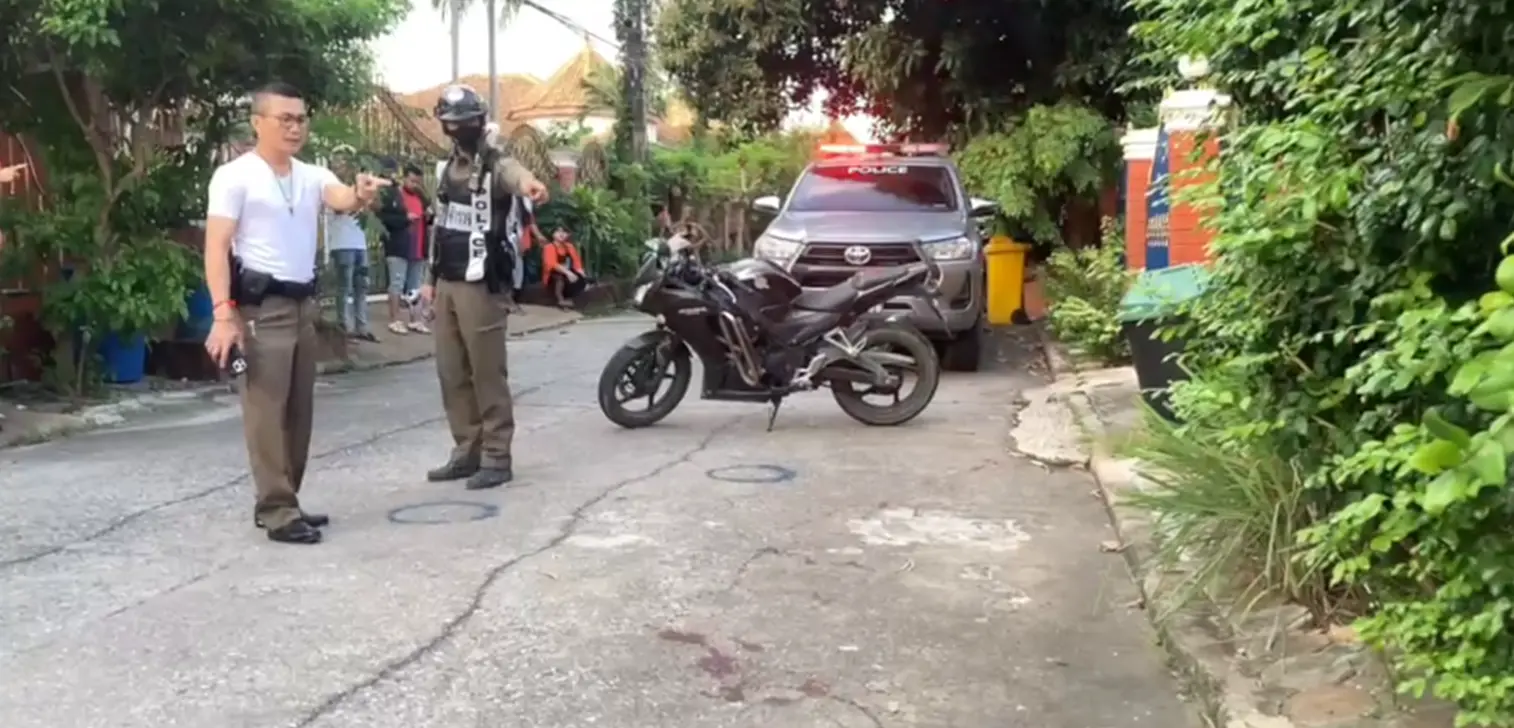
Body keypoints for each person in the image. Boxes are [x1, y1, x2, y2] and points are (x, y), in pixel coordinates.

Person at [203, 81, 389, 545]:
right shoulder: (234, 176)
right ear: (257, 122)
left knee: (298, 411)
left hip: (304, 304)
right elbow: (216, 246)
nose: (295, 128)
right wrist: (223, 314)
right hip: (262, 308)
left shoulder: (310, 175)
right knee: (266, 410)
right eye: (284, 119)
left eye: (301, 119)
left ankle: (285, 497)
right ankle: (277, 508)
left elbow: (341, 198)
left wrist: (361, 193)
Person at [419, 84, 548, 490]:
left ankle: (496, 455)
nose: (459, 129)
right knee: (451, 372)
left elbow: (516, 176)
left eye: (467, 121)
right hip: (447, 281)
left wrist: (530, 185)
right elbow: (439, 227)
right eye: (452, 122)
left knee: (487, 372)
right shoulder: (444, 171)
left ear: (480, 121)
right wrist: (429, 282)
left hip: (482, 284)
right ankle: (466, 450)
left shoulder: (497, 165)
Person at [377, 162, 433, 334]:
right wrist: (405, 218)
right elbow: (384, 218)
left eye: (418, 182)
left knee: (415, 286)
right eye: (412, 181)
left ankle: (415, 320)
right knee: (397, 283)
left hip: (418, 246)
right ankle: (395, 319)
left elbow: (429, 218)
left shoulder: (422, 197)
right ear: (404, 178)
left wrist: (429, 217)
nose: (415, 185)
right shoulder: (394, 195)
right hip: (399, 246)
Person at [326, 154, 377, 342]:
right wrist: (357, 193)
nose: (345, 168)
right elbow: (340, 207)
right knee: (344, 287)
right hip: (342, 244)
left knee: (361, 286)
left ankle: (361, 326)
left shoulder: (358, 190)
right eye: (340, 165)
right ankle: (344, 326)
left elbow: (373, 208)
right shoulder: (333, 189)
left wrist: (369, 192)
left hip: (359, 243)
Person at [541, 226, 587, 309]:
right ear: (553, 234)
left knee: (580, 278)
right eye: (558, 231)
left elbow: (576, 261)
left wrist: (580, 271)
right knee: (559, 277)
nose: (561, 234)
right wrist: (567, 272)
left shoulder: (570, 247)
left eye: (564, 232)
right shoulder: (549, 247)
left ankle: (569, 298)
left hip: (568, 273)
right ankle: (560, 299)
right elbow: (551, 264)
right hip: (553, 276)